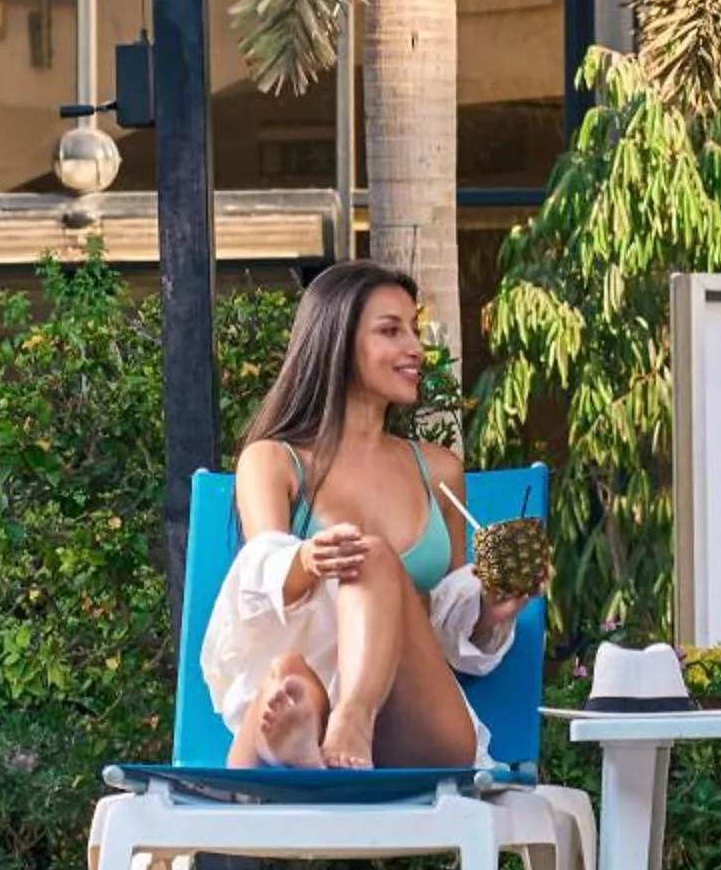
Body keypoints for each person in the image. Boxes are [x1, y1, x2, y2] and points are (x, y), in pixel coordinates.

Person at [202, 260, 531, 770]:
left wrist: (490, 610)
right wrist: (307, 560)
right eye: (391, 331)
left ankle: (345, 722)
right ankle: (307, 737)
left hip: (414, 725)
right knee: (287, 676)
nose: (416, 348)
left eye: (414, 330)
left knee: (372, 556)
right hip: (310, 682)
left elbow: (443, 626)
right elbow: (259, 581)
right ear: (337, 341)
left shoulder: (439, 471)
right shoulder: (273, 461)